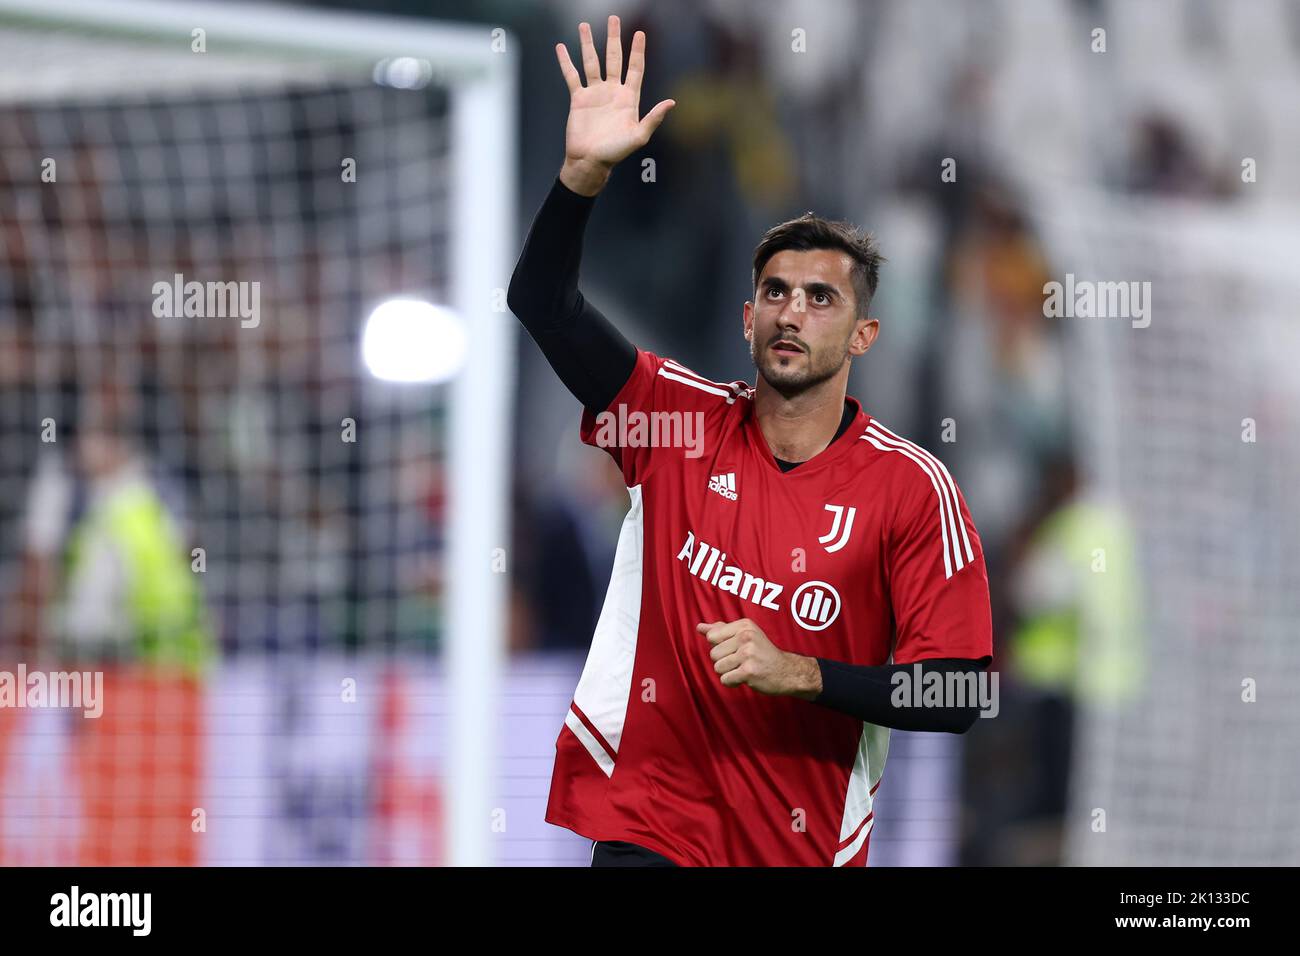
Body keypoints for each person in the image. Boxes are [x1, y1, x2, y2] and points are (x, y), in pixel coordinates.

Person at [509, 16, 993, 867]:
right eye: (775, 292)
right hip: (646, 829)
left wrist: (805, 673)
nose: (792, 312)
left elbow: (961, 689)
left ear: (865, 334)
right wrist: (581, 177)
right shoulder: (673, 421)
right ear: (746, 318)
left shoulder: (914, 491)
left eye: (820, 298)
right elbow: (545, 305)